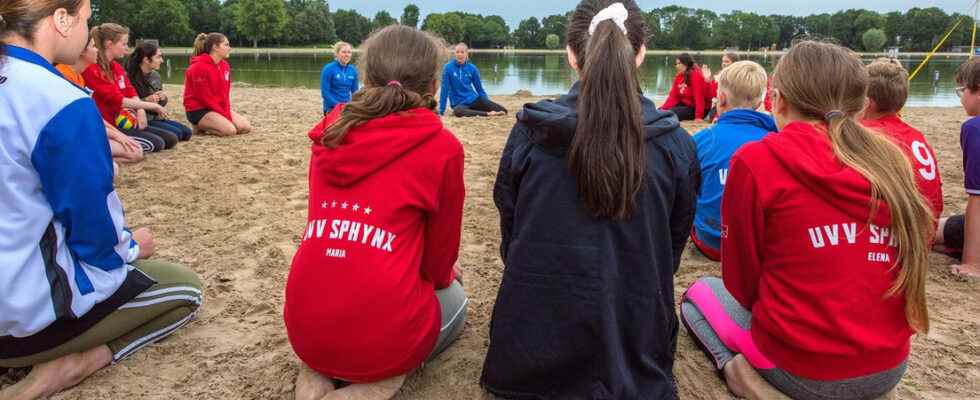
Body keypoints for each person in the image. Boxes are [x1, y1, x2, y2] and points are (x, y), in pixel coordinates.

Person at [680, 41, 934, 400]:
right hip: (888, 368)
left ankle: (745, 379)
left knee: (696, 296)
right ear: (861, 106)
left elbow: (742, 284)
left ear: (777, 100)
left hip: (801, 369)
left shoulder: (757, 160)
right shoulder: (892, 160)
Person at [481, 1, 699, 398]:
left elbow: (511, 240)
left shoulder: (530, 134)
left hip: (529, 357)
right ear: (641, 54)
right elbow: (670, 253)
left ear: (570, 53)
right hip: (634, 352)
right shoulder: (676, 146)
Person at [0, 2, 203, 399]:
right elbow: (91, 228)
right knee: (184, 290)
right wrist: (129, 247)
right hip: (23, 321)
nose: (87, 31)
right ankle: (75, 363)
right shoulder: (58, 99)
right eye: (86, 18)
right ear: (61, 20)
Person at [284, 25, 467, 400]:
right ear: (434, 85)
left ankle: (318, 368)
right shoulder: (442, 147)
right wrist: (443, 272)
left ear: (366, 77)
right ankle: (377, 381)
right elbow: (436, 267)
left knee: (341, 286)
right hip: (380, 332)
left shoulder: (330, 132)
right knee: (456, 300)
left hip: (305, 325)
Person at [690, 61, 775, 261]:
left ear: (721, 98)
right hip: (757, 247)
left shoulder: (702, 140)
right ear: (760, 102)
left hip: (711, 243)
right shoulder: (776, 140)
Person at [862, 58, 943, 218]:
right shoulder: (916, 136)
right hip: (928, 223)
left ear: (867, 102)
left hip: (900, 232)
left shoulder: (868, 135)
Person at [83, 23, 177, 153]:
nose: (126, 48)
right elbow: (118, 100)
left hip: (125, 119)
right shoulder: (93, 69)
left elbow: (130, 90)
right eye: (124, 44)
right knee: (157, 143)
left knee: (170, 139)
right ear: (109, 44)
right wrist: (152, 106)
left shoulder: (116, 67)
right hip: (110, 124)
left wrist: (140, 110)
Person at [55, 36, 144, 164]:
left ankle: (93, 158)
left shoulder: (79, 77)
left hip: (87, 133)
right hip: (75, 138)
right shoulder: (64, 76)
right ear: (81, 52)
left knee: (136, 152)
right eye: (93, 46)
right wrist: (117, 135)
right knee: (127, 157)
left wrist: (119, 135)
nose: (97, 50)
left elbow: (92, 116)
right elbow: (81, 120)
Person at [934, 57, 980, 277]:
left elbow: (978, 199)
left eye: (961, 91)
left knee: (924, 234)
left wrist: (972, 264)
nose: (961, 98)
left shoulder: (974, 128)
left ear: (978, 91)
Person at [183, 32, 251, 136]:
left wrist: (226, 112)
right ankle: (198, 125)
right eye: (226, 45)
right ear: (215, 47)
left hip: (217, 107)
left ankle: (213, 123)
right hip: (199, 109)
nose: (230, 48)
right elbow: (204, 98)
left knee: (244, 127)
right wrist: (224, 115)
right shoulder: (197, 67)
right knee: (230, 131)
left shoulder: (225, 66)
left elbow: (225, 94)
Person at [126, 41, 192, 142]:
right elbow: (124, 104)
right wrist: (145, 100)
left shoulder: (155, 75)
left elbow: (162, 103)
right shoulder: (129, 78)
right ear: (146, 60)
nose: (162, 61)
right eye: (158, 57)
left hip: (156, 118)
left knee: (187, 133)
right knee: (175, 135)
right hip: (142, 120)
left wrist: (163, 98)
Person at [438, 43, 508, 117]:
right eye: (457, 52)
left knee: (503, 110)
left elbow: (479, 89)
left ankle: (480, 111)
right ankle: (487, 114)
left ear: (466, 54)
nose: (459, 54)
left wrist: (486, 102)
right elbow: (444, 90)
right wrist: (441, 110)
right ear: (455, 53)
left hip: (473, 99)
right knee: (458, 111)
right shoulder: (448, 68)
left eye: (462, 52)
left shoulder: (472, 68)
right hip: (459, 103)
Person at [660, 52, 707, 121]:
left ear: (686, 64)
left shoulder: (696, 75)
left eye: (679, 63)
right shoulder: (678, 77)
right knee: (661, 111)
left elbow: (699, 97)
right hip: (685, 105)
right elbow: (673, 96)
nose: (677, 66)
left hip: (696, 108)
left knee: (671, 113)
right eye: (676, 64)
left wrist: (698, 117)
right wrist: (663, 108)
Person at [320, 41, 359, 115]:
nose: (347, 55)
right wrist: (339, 107)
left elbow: (355, 92)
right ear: (337, 54)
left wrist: (354, 105)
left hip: (347, 107)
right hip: (331, 107)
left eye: (349, 52)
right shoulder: (328, 69)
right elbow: (325, 93)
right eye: (343, 52)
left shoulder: (353, 70)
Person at [703, 51, 739, 121]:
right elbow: (711, 95)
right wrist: (707, 81)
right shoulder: (718, 76)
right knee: (711, 116)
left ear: (735, 63)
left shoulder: (739, 77)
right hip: (720, 105)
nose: (723, 64)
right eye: (723, 61)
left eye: (727, 61)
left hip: (735, 106)